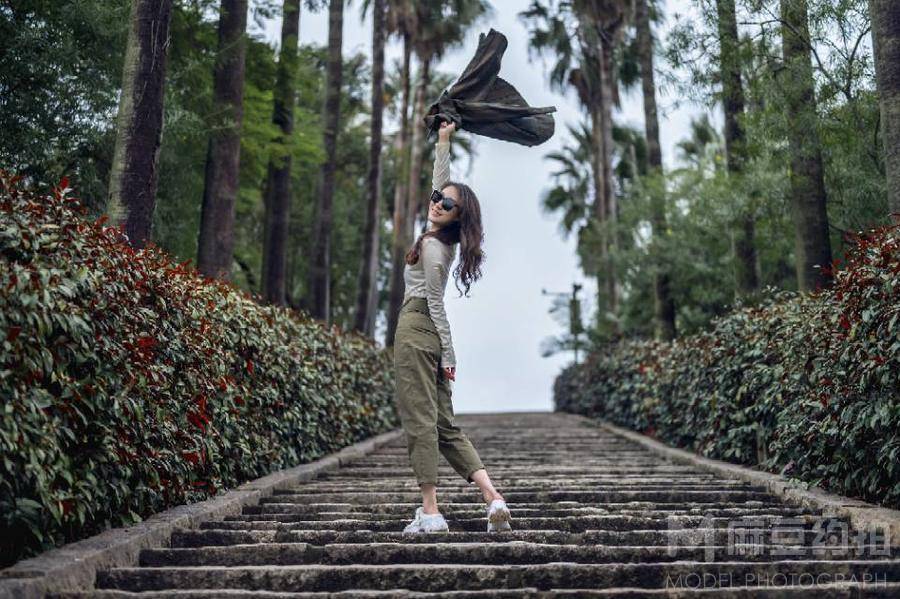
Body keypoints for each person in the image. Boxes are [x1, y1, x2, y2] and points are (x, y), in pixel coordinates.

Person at [393, 120, 512, 534]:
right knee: (445, 425)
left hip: (417, 329)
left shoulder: (431, 247)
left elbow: (435, 304)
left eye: (448, 204)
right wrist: (444, 140)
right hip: (430, 337)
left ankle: (430, 511)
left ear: (458, 217)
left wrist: (450, 353)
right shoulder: (441, 238)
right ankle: (493, 498)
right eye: (437, 198)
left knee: (420, 420)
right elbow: (439, 184)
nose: (438, 203)